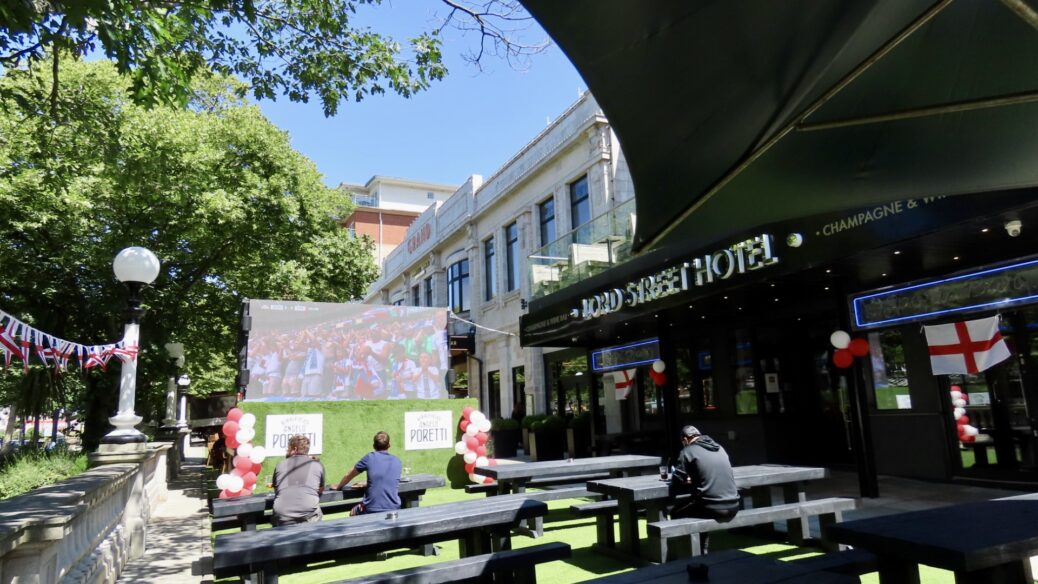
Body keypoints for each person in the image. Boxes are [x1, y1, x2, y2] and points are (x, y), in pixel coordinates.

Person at [669, 425, 740, 555]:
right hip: (734, 504)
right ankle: (703, 548)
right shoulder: (720, 448)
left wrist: (687, 480)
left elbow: (677, 481)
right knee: (699, 505)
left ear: (685, 440)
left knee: (675, 512)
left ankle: (682, 553)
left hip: (712, 507)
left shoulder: (688, 451)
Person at [331, 431, 401, 515]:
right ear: (389, 445)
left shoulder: (369, 458)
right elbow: (386, 479)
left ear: (374, 446)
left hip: (371, 508)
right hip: (394, 508)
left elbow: (350, 474)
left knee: (352, 513)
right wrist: (368, 483)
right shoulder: (397, 461)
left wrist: (339, 486)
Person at [272, 434, 326, 526]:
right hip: (309, 516)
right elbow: (320, 490)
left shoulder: (280, 465)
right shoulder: (318, 465)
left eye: (288, 447)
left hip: (282, 516)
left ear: (295, 449)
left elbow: (277, 490)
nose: (287, 450)